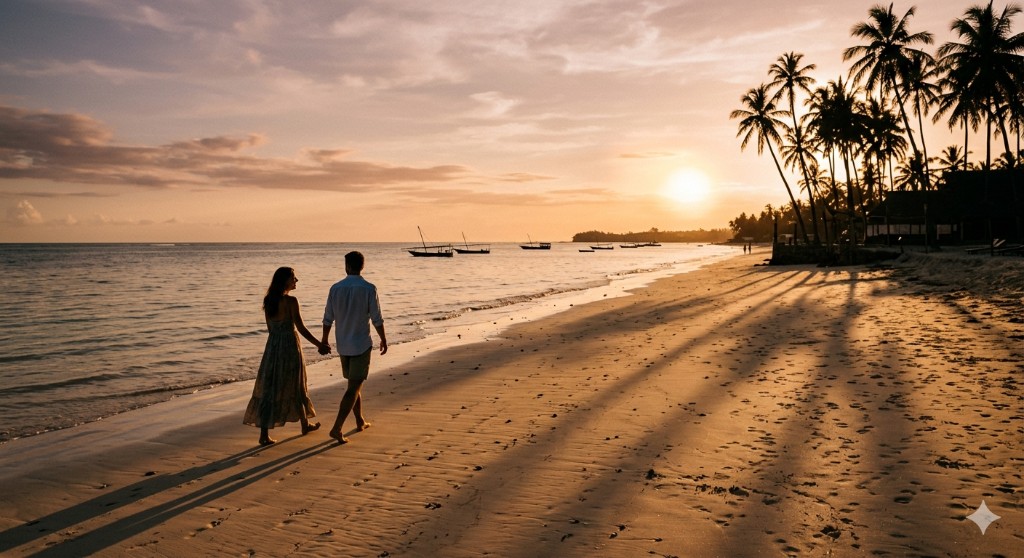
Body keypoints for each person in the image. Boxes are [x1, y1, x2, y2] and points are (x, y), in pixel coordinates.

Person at [243, 267, 330, 446]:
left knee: (270, 388)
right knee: (297, 384)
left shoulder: (268, 300)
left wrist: (277, 341)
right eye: (293, 278)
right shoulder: (291, 301)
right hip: (290, 347)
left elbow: (270, 328)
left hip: (272, 349)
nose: (296, 280)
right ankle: (304, 425)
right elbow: (301, 328)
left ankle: (265, 434)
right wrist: (319, 345)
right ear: (285, 281)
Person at [321, 251, 387, 445]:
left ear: (347, 266)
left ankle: (359, 420)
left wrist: (325, 340)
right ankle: (337, 428)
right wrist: (383, 338)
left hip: (343, 344)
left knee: (353, 384)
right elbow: (376, 318)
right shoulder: (368, 288)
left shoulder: (335, 288)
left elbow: (327, 318)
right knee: (353, 388)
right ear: (362, 266)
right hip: (360, 344)